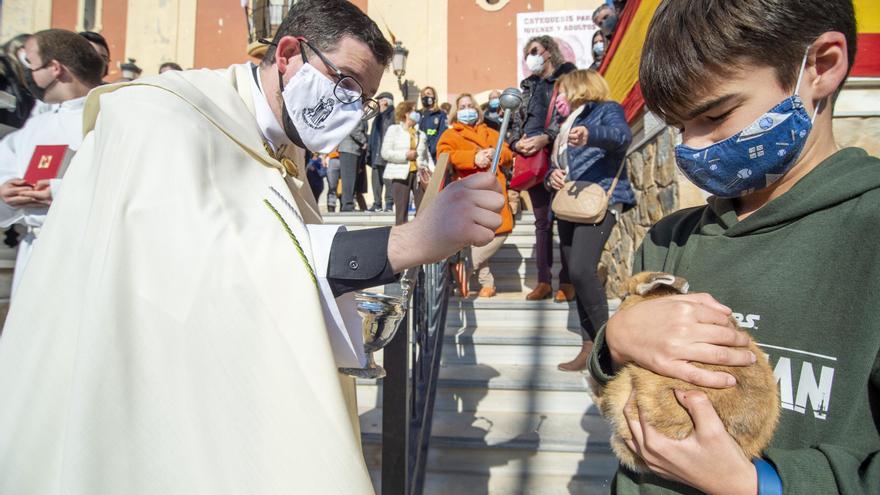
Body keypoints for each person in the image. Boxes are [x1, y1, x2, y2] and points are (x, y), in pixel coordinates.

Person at [0, 2, 506, 493]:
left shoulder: (275, 144)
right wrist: (410, 240)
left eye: (364, 97)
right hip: (128, 394)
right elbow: (191, 267)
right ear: (287, 54)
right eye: (346, 82)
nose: (352, 107)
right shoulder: (158, 113)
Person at [589, 1, 879, 493]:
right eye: (680, 128)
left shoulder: (866, 232)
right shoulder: (669, 239)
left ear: (822, 65)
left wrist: (755, 484)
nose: (693, 149)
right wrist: (613, 342)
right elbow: (620, 396)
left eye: (716, 114)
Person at [0, 29, 104, 296]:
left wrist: (59, 192)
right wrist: (6, 194)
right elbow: (5, 171)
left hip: (87, 255)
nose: (29, 75)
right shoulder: (34, 127)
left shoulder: (113, 116)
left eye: (32, 66)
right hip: (33, 254)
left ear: (55, 68)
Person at [545, 70, 634, 372]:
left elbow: (622, 137)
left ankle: (613, 347)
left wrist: (591, 134)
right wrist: (551, 176)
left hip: (597, 200)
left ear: (579, 88)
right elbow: (557, 165)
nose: (559, 98)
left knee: (583, 270)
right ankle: (589, 348)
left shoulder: (606, 110)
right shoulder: (565, 124)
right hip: (570, 202)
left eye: (563, 91)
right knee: (575, 273)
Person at [509, 35, 576, 302]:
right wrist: (517, 143)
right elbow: (515, 122)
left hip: (557, 151)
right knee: (542, 222)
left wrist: (546, 136)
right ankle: (544, 281)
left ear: (548, 52)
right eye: (527, 54)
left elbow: (571, 112)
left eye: (534, 51)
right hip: (531, 158)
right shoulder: (527, 86)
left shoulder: (567, 77)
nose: (531, 57)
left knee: (566, 217)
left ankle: (568, 281)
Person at [438, 93, 514, 298]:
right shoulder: (450, 134)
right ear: (456, 111)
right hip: (469, 191)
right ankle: (487, 283)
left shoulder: (490, 132)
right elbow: (444, 156)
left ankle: (467, 267)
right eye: (462, 106)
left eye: (470, 105)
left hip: (494, 189)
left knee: (500, 230)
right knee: (479, 236)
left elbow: (508, 154)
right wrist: (473, 157)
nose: (467, 109)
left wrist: (493, 153)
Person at [381, 101, 431, 225]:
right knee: (401, 211)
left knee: (423, 210)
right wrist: (405, 155)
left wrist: (431, 171)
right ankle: (400, 240)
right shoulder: (394, 130)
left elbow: (426, 156)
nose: (416, 113)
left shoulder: (421, 134)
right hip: (400, 174)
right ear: (406, 113)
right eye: (413, 111)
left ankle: (420, 238)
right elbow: (385, 153)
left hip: (419, 175)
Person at [368, 91, 394, 211]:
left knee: (388, 180)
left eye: (379, 100)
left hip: (388, 154)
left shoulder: (393, 115)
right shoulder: (377, 116)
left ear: (385, 101)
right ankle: (377, 203)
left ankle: (389, 204)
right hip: (376, 153)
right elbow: (373, 135)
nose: (377, 102)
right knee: (376, 180)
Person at [338, 117, 368, 211]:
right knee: (349, 180)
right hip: (349, 149)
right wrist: (364, 141)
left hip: (353, 150)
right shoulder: (355, 113)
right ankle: (348, 205)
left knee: (352, 179)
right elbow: (354, 129)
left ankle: (349, 204)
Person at [418, 85, 447, 160]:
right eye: (423, 95)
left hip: (434, 154)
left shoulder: (440, 114)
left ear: (434, 97)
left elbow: (443, 133)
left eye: (428, 94)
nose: (425, 96)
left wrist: (433, 149)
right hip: (420, 154)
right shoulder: (419, 114)